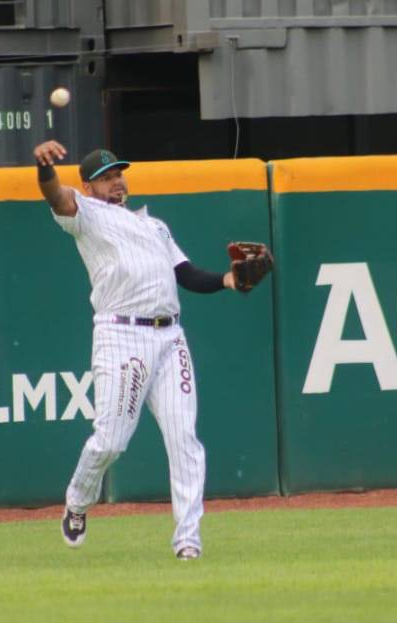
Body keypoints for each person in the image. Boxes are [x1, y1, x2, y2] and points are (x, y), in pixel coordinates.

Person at [33, 140, 239, 560]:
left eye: (119, 174)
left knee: (184, 439)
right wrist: (44, 169)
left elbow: (189, 275)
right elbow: (55, 196)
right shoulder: (86, 215)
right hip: (122, 336)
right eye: (106, 178)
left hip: (169, 338)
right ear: (89, 187)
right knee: (110, 441)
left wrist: (229, 281)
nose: (116, 182)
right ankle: (77, 500)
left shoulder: (155, 226)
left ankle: (188, 541)